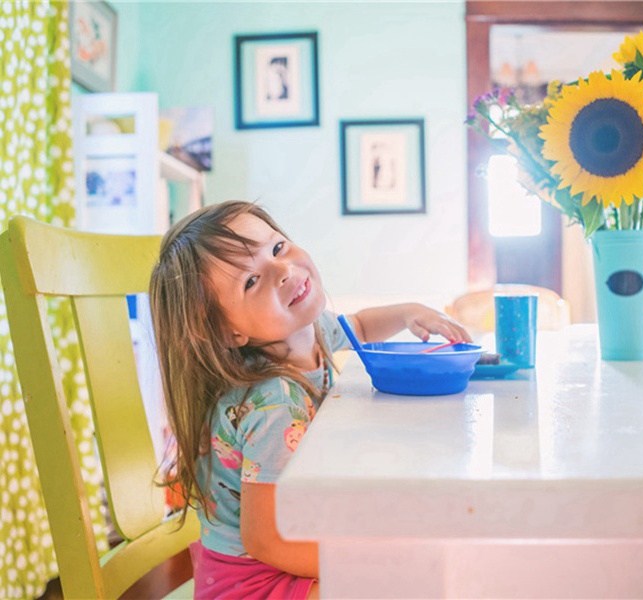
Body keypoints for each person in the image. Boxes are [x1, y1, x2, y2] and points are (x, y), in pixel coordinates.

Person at [149, 200, 471, 599]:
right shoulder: (273, 407)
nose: (282, 272)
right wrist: (365, 564)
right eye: (251, 281)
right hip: (252, 582)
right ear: (226, 332)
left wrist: (409, 313)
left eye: (277, 248)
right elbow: (266, 542)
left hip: (288, 547)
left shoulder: (310, 333)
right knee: (411, 581)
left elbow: (361, 325)